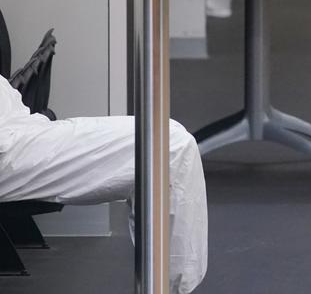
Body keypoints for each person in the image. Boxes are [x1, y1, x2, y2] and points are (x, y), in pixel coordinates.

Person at [0, 73, 207, 294]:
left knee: (168, 137)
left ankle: (168, 285)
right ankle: (170, 287)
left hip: (18, 126)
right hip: (9, 145)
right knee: (168, 146)